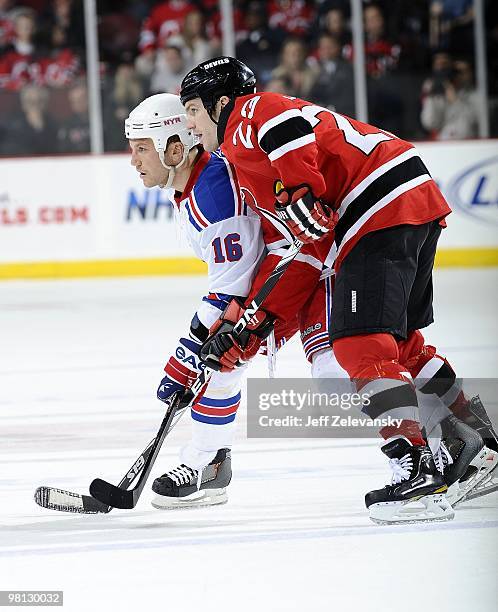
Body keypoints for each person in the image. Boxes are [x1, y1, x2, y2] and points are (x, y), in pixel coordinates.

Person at [179, 56, 498, 523]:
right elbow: (306, 252)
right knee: (401, 344)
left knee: (355, 342)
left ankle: (417, 469)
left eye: (192, 110)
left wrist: (301, 187)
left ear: (220, 102)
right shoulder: (250, 162)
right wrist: (258, 321)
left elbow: (283, 124)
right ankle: (480, 443)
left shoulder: (245, 117)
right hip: (409, 197)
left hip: (379, 207)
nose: (191, 124)